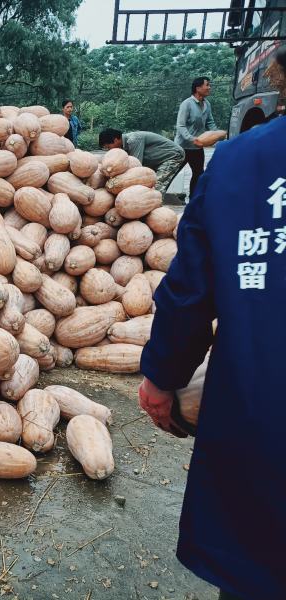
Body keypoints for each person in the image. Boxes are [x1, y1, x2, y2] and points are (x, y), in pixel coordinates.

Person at [138, 48, 286, 600]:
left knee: (255, 573)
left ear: (279, 75)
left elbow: (189, 293)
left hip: (262, 432)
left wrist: (160, 376)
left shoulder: (240, 164)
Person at [99, 128, 185, 195]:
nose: (108, 150)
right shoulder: (123, 147)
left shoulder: (133, 140)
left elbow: (136, 167)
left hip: (173, 156)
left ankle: (155, 210)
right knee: (148, 183)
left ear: (115, 140)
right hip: (157, 160)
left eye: (108, 147)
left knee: (156, 185)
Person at [175, 76, 218, 196]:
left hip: (197, 148)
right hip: (182, 148)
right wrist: (192, 139)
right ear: (198, 88)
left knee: (199, 174)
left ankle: (194, 200)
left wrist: (217, 136)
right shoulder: (187, 104)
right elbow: (180, 126)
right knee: (171, 173)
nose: (209, 87)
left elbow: (210, 122)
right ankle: (156, 196)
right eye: (207, 85)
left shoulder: (207, 104)